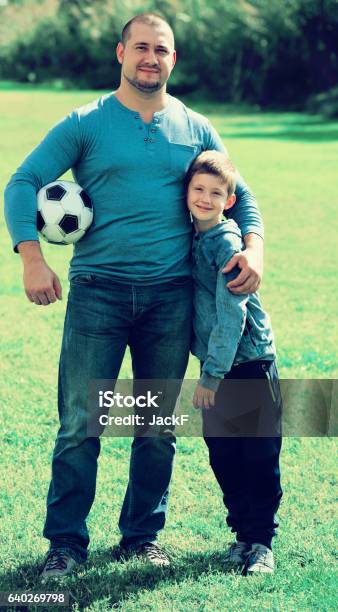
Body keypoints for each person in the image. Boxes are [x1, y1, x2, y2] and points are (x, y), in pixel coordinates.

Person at [4, 13, 264, 579]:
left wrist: (255, 250)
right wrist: (31, 258)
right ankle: (65, 543)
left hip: (169, 300)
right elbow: (22, 182)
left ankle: (141, 536)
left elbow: (243, 198)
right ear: (120, 52)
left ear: (174, 60)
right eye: (141, 47)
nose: (151, 58)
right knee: (81, 424)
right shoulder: (86, 123)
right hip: (97, 293)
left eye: (162, 50)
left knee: (156, 427)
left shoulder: (196, 127)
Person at [187, 151, 282, 574]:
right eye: (198, 189)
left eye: (216, 193)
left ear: (230, 201)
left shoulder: (225, 241)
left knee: (258, 454)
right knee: (223, 453)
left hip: (248, 363)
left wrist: (210, 375)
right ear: (186, 193)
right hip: (219, 365)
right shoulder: (193, 236)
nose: (205, 198)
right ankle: (242, 533)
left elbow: (232, 313)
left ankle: (261, 542)